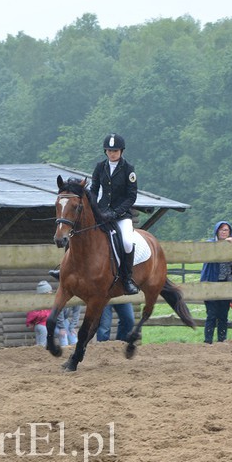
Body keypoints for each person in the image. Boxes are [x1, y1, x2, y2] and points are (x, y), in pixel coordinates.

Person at [49, 133, 139, 295]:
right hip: (102, 212)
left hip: (122, 215)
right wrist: (94, 208)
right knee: (75, 230)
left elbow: (131, 196)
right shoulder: (100, 167)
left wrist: (116, 212)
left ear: (121, 151)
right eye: (109, 151)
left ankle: (126, 278)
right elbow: (94, 189)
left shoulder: (128, 169)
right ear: (105, 151)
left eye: (115, 151)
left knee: (127, 241)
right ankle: (63, 268)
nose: (112, 153)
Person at [200, 221, 232, 344]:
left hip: (226, 284)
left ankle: (221, 340)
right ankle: (208, 341)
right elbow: (208, 249)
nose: (224, 232)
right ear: (217, 231)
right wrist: (224, 243)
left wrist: (231, 246)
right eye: (221, 230)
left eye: (226, 230)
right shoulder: (211, 244)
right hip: (211, 283)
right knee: (211, 314)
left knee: (223, 314)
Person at [26, 280, 52, 346]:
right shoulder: (43, 303)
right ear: (44, 292)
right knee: (43, 343)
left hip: (38, 325)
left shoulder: (37, 301)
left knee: (38, 343)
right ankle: (42, 353)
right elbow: (34, 313)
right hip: (43, 325)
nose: (51, 292)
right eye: (49, 291)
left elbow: (31, 314)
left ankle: (37, 353)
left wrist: (30, 322)